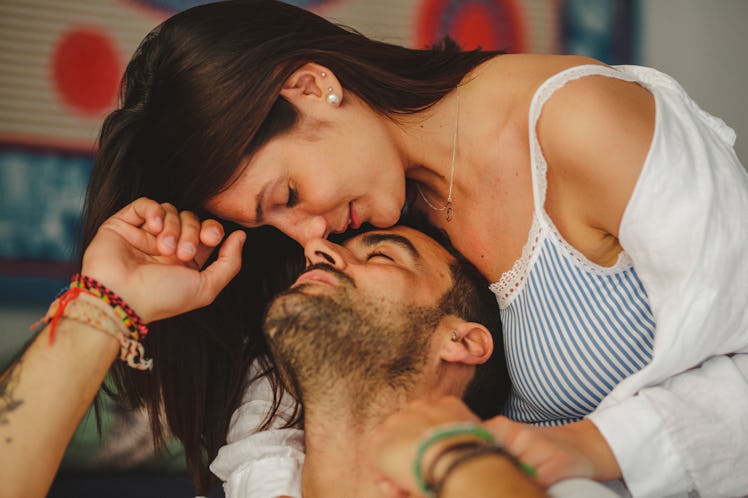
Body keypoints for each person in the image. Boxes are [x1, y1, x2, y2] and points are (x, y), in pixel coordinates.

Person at [79, 0, 748, 496]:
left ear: (312, 87)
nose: (309, 235)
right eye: (273, 225)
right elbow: (283, 422)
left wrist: (586, 447)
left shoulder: (582, 127)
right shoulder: (371, 220)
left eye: (284, 197)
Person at [0, 198, 613, 498]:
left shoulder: (551, 485)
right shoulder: (261, 473)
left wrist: (447, 450)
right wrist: (107, 297)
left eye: (380, 254)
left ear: (462, 340)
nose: (320, 251)